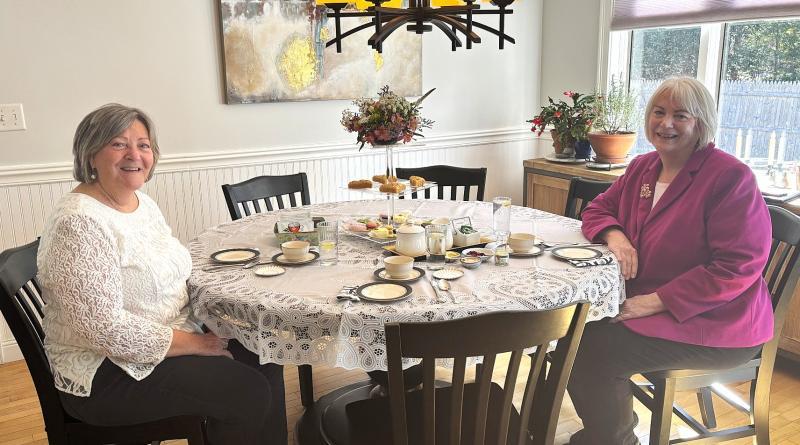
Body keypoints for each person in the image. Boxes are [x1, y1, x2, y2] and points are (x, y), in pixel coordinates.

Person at [37, 103, 287, 445]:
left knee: (266, 349)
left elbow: (170, 270)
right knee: (246, 391)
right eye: (119, 143)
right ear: (90, 153)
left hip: (167, 336)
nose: (135, 154)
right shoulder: (79, 222)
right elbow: (104, 329)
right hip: (106, 372)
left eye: (143, 144)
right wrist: (198, 344)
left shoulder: (140, 202)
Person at [567, 77, 772, 445]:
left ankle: (614, 438)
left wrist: (654, 302)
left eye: (681, 115)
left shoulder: (729, 177)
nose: (666, 124)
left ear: (701, 123)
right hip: (652, 302)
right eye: (659, 112)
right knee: (567, 331)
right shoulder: (643, 167)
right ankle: (604, 430)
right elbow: (598, 208)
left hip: (717, 321)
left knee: (590, 353)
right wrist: (616, 235)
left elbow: (738, 267)